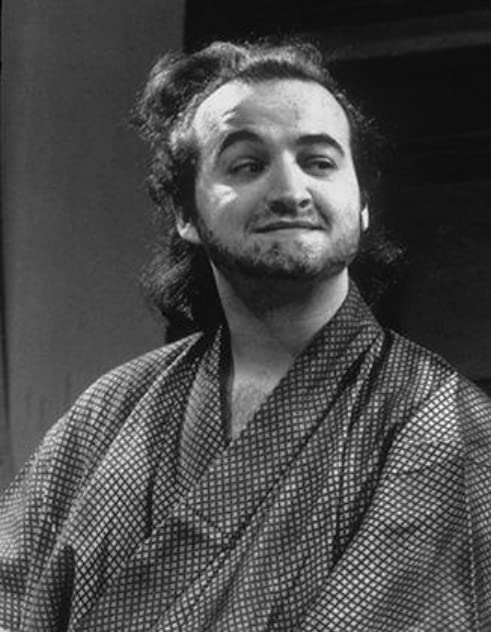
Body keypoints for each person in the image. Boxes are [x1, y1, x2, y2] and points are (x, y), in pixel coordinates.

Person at [0, 39, 490, 632]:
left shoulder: (442, 423)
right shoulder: (110, 411)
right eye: (247, 165)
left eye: (319, 162)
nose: (290, 191)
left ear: (361, 204)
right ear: (186, 215)